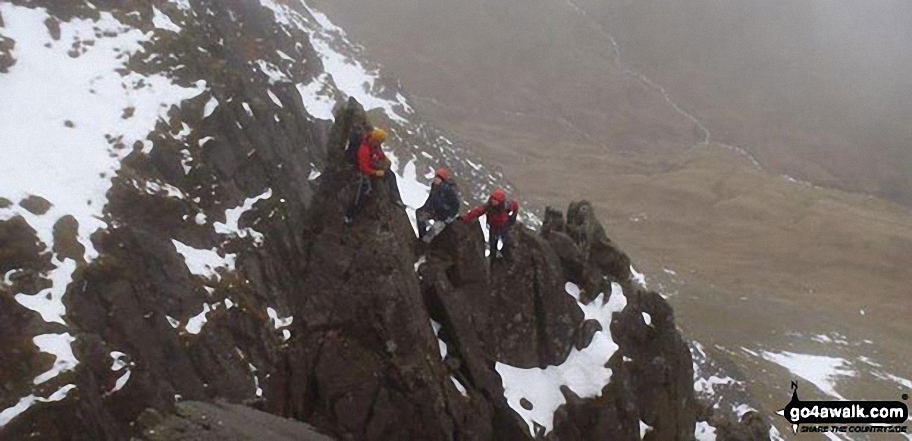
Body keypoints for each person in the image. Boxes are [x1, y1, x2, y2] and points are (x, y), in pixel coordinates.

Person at [344, 129, 404, 224]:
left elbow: (378, 153)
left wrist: (384, 159)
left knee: (391, 175)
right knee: (362, 193)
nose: (378, 144)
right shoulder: (364, 149)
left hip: (371, 167)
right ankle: (349, 215)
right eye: (378, 142)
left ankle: (395, 198)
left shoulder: (374, 144)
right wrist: (376, 173)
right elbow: (363, 167)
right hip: (363, 172)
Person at [462, 188, 520, 262]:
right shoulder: (489, 206)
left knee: (507, 242)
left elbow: (515, 206)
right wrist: (466, 218)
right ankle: (493, 259)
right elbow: (478, 212)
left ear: (501, 202)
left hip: (504, 226)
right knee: (492, 243)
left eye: (496, 200)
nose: (494, 201)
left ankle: (508, 258)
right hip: (493, 226)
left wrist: (512, 219)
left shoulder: (507, 205)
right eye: (493, 199)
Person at [416, 168, 460, 243]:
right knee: (419, 215)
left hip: (444, 217)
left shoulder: (448, 190)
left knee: (431, 233)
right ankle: (421, 237)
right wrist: (423, 209)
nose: (436, 179)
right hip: (435, 212)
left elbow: (455, 206)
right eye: (436, 177)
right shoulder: (435, 187)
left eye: (439, 178)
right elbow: (430, 200)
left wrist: (448, 218)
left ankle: (424, 245)